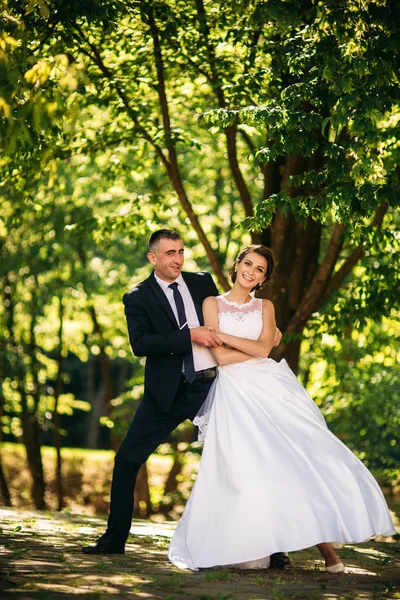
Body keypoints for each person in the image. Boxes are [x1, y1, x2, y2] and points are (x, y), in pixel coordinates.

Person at [168, 244, 396, 573]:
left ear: (264, 278)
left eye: (259, 269)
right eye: (248, 263)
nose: (251, 271)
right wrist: (259, 347)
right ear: (237, 264)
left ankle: (328, 551)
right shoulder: (211, 303)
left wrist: (240, 342)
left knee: (292, 460)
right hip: (234, 394)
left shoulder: (266, 306)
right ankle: (255, 543)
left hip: (270, 389)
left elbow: (260, 350)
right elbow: (222, 358)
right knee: (244, 471)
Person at [82, 230, 286, 568]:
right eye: (169, 254)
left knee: (249, 462)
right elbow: (141, 344)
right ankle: (114, 539)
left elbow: (233, 306)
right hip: (168, 392)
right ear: (153, 258)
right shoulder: (138, 297)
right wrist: (188, 335)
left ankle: (272, 548)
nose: (177, 259)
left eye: (180, 251)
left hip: (216, 386)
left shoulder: (201, 282)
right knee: (128, 459)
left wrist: (266, 329)